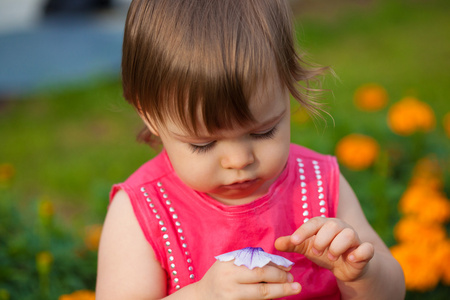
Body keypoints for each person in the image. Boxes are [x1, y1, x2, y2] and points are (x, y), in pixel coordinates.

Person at [96, 0, 405, 299]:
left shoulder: (318, 183)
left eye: (263, 131)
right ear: (149, 115)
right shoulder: (143, 212)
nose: (239, 160)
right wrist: (203, 296)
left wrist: (362, 274)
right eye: (203, 144)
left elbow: (392, 292)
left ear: (288, 88)